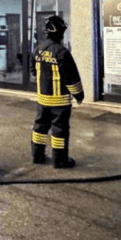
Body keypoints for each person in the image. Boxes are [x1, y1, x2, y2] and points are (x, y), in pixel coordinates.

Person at [31, 15, 84, 168]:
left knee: (40, 127)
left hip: (42, 99)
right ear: (60, 32)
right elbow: (71, 78)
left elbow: (33, 71)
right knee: (59, 130)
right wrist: (79, 95)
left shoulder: (38, 49)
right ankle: (60, 160)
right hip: (59, 102)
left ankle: (37, 156)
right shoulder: (62, 52)